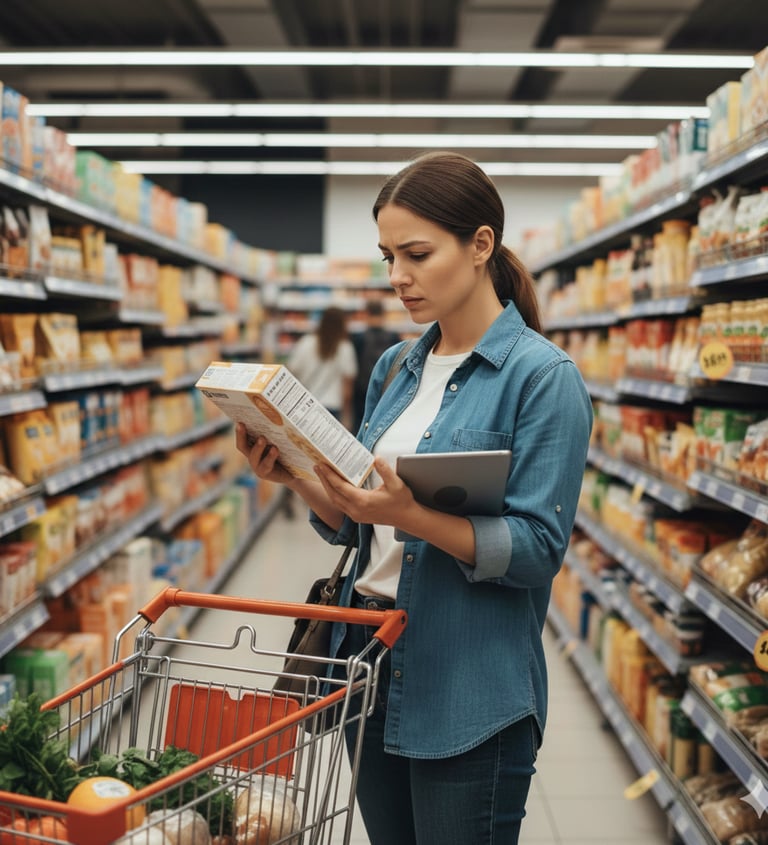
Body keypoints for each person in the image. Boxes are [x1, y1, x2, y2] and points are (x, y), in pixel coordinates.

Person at [236, 151, 592, 844]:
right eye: (387, 256)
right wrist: (294, 475)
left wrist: (413, 516)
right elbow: (361, 524)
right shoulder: (395, 367)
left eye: (418, 254)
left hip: (468, 683)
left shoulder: (543, 379)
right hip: (368, 660)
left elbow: (537, 551)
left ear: (481, 243)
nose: (398, 276)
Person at [287, 305, 357, 431]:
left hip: (305, 406)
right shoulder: (345, 348)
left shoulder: (305, 342)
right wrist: (347, 416)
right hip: (332, 409)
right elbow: (347, 390)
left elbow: (291, 373)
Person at [351, 299, 401, 431]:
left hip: (362, 391)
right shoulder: (394, 337)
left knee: (360, 427)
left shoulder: (358, 338)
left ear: (366, 313)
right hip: (388, 390)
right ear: (383, 313)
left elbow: (352, 368)